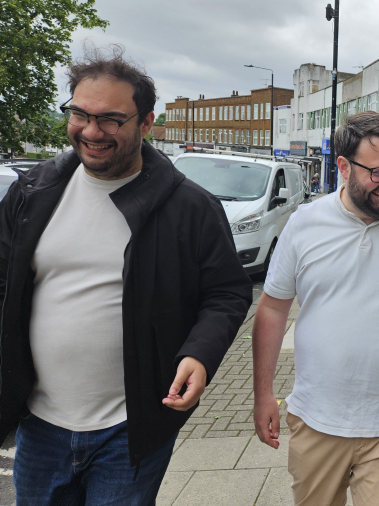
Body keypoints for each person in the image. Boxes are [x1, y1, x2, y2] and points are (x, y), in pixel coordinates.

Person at [0, 46, 253, 504]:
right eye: (80, 114)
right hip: (38, 425)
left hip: (130, 429)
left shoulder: (190, 207)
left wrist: (200, 355)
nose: (92, 131)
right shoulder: (31, 194)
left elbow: (226, 293)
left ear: (147, 122)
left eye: (112, 119)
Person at [253, 111, 379, 506]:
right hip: (317, 419)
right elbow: (273, 310)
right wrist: (264, 394)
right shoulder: (304, 224)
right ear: (344, 166)